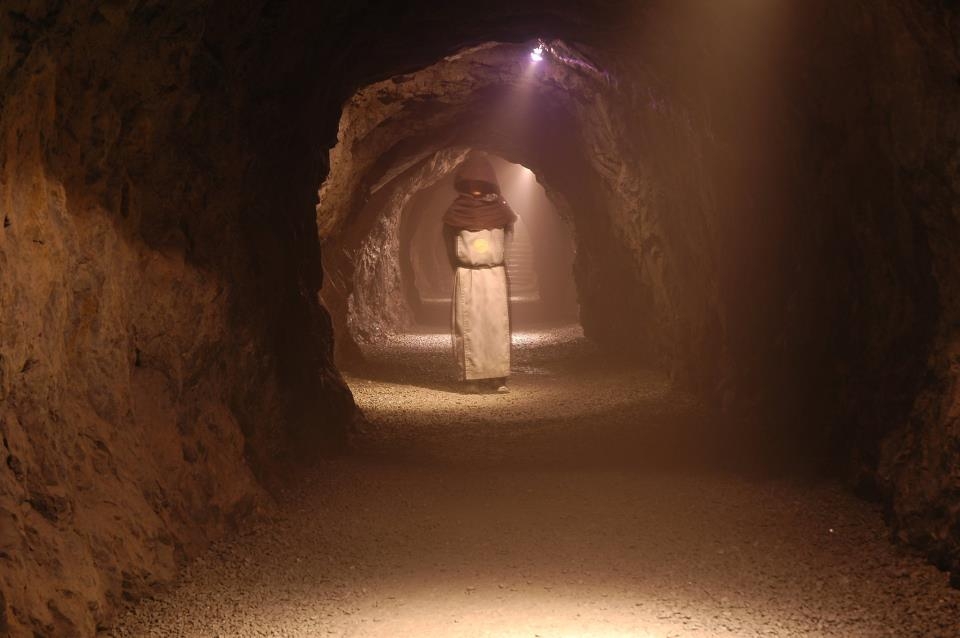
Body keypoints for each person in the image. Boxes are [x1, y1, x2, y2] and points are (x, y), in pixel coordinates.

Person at [442, 153, 517, 394]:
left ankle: (497, 377)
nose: (475, 188)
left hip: (493, 274)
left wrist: (500, 261)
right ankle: (471, 377)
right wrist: (460, 266)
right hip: (469, 274)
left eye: (480, 183)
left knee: (496, 326)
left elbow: (508, 236)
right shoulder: (457, 211)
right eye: (471, 183)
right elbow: (449, 243)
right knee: (470, 326)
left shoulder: (500, 210)